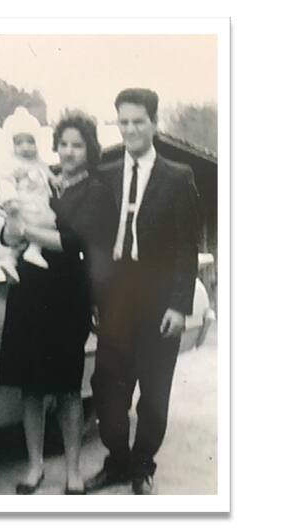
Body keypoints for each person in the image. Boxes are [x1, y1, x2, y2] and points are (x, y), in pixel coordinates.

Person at [84, 88, 200, 495]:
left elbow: (188, 248)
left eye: (138, 121)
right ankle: (117, 459)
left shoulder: (178, 176)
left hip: (157, 299)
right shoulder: (106, 173)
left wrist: (180, 306)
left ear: (154, 123)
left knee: (153, 391)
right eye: (124, 121)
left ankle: (142, 465)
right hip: (116, 298)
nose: (130, 129)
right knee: (107, 388)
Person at [0, 110, 111, 495]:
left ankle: (74, 471)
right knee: (31, 386)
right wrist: (12, 230)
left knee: (66, 387)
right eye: (63, 144)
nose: (68, 151)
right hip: (30, 289)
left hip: (66, 294)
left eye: (77, 145)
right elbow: (5, 230)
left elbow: (73, 241)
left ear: (89, 150)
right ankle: (35, 466)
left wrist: (23, 228)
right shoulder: (41, 177)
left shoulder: (95, 191)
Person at [0, 107, 58, 281]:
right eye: (19, 143)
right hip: (23, 205)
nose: (25, 147)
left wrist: (55, 181)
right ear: (12, 145)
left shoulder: (38, 162)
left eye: (30, 142)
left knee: (35, 229)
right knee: (42, 223)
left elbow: (47, 173)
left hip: (37, 203)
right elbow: (4, 182)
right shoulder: (12, 164)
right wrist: (10, 201)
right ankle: (27, 253)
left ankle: (14, 258)